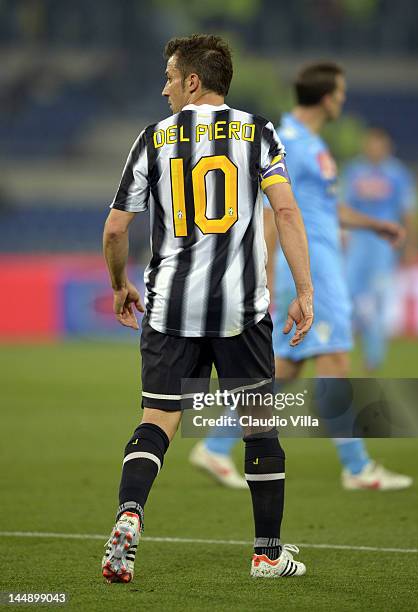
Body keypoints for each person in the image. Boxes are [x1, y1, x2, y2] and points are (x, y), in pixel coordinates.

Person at [101, 34, 314, 583]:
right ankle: (267, 555)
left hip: (170, 307)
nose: (165, 87)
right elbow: (286, 213)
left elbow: (116, 228)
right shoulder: (259, 132)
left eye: (171, 77)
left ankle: (130, 515)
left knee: (159, 419)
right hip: (241, 309)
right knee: (260, 426)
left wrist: (120, 282)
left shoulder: (153, 138)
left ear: (193, 81)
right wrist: (305, 291)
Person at [266, 62, 412, 491]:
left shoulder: (309, 143)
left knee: (287, 366)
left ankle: (215, 446)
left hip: (318, 263)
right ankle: (357, 465)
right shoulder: (289, 141)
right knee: (335, 360)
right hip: (310, 268)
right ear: (328, 97)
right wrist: (270, 267)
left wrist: (372, 224)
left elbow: (324, 208)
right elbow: (274, 209)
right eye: (341, 93)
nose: (343, 100)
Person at [343, 127, 418, 371]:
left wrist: (411, 247)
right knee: (350, 296)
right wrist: (343, 237)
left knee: (377, 299)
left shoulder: (398, 174)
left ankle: (373, 357)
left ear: (387, 147)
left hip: (384, 245)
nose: (373, 148)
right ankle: (350, 347)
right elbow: (343, 206)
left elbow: (409, 212)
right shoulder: (354, 171)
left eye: (378, 144)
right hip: (358, 241)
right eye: (370, 143)